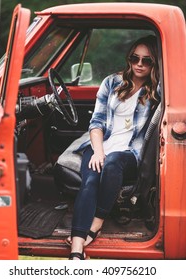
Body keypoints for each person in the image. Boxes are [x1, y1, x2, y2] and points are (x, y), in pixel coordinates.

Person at [67, 35, 160, 260]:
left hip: (129, 153)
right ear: (128, 58)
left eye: (146, 61)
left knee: (111, 162)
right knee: (90, 179)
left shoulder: (158, 91)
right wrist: (98, 150)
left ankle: (97, 222)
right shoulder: (111, 82)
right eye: (134, 58)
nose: (139, 64)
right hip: (101, 143)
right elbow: (96, 123)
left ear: (155, 64)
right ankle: (76, 249)